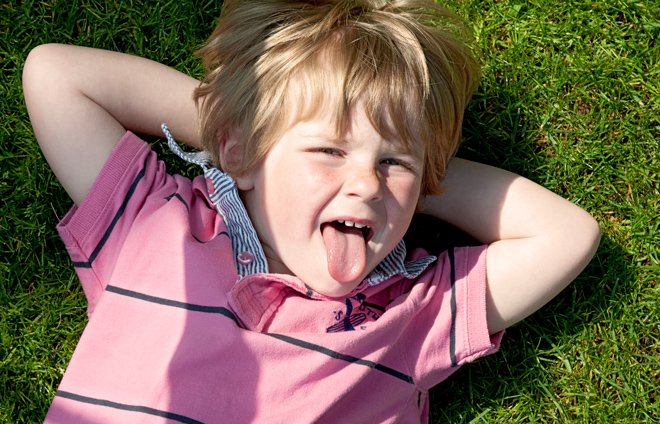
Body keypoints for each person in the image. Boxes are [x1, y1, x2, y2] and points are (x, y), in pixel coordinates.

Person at [22, 0, 601, 422]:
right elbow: (56, 76)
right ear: (240, 150)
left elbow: (567, 234)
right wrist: (246, 133)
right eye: (329, 151)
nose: (367, 185)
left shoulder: (404, 317)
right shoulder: (162, 229)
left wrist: (424, 175)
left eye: (392, 163)